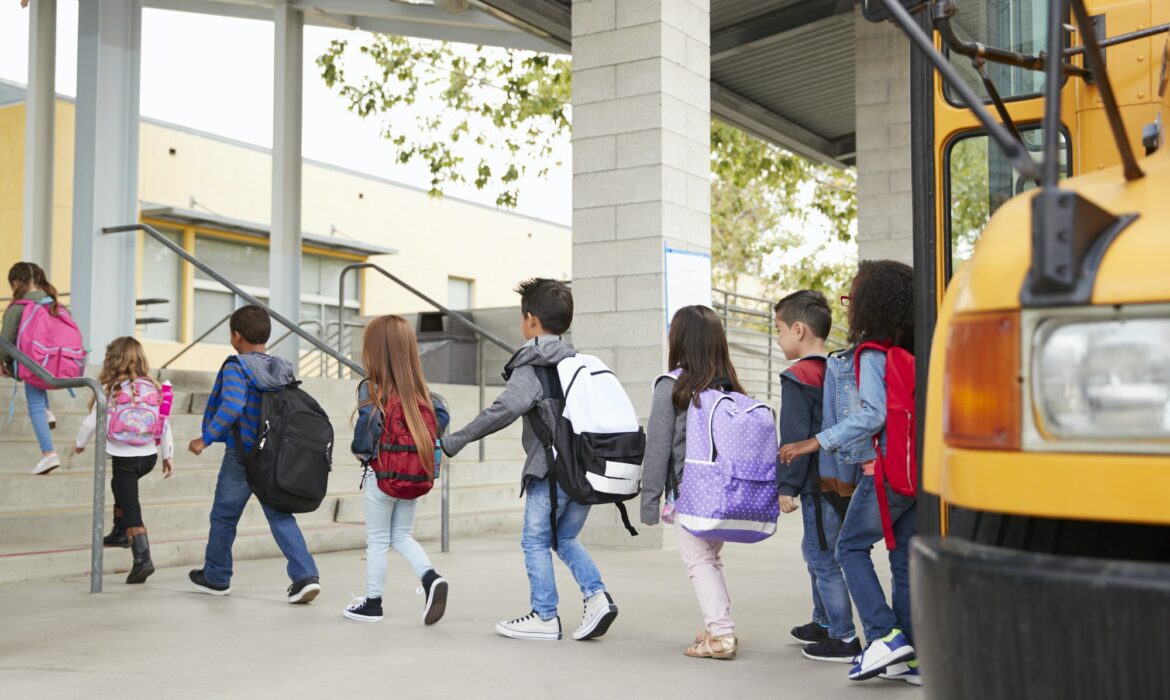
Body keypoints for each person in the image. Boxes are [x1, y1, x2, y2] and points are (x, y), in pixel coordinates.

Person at [441, 278, 619, 642]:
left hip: (551, 470)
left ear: (531, 320)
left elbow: (506, 407)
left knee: (535, 541)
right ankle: (597, 596)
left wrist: (454, 441)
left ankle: (544, 615)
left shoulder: (534, 363)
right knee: (564, 537)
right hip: (587, 469)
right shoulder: (579, 362)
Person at [779, 260, 919, 685]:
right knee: (903, 559)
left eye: (853, 299)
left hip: (886, 472)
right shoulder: (915, 351)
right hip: (918, 472)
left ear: (870, 306)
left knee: (849, 548)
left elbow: (872, 415)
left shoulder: (872, 354)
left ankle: (883, 635)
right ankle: (913, 656)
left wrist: (814, 442)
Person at [186, 305, 321, 604]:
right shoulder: (281, 368)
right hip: (273, 455)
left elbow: (233, 405)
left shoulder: (237, 367)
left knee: (224, 516)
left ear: (236, 336)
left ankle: (217, 577)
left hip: (242, 456)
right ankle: (305, 576)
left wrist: (205, 439)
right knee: (279, 514)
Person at [640, 304, 750, 660]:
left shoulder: (672, 386)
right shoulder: (730, 388)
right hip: (726, 491)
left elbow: (657, 448)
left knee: (698, 561)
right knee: (711, 559)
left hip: (692, 492)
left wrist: (649, 500)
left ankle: (721, 635)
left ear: (680, 340)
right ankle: (719, 625)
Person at [344, 315, 450, 625]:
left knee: (377, 540)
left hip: (381, 477)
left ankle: (373, 603)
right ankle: (431, 578)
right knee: (402, 535)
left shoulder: (371, 389)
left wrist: (361, 453)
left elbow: (364, 439)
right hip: (413, 475)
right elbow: (440, 424)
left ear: (375, 351)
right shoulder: (426, 395)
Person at [774, 291, 861, 663]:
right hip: (844, 478)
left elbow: (792, 436)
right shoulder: (839, 371)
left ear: (798, 329)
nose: (777, 339)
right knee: (817, 552)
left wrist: (786, 487)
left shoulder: (798, 376)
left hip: (815, 482)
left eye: (778, 330)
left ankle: (842, 637)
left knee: (823, 558)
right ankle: (822, 621)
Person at [75, 337, 175, 584]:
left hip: (124, 458)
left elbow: (90, 422)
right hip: (149, 456)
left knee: (132, 507)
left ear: (113, 360)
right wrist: (168, 455)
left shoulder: (112, 389)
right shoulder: (154, 388)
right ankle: (120, 531)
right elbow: (164, 424)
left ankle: (143, 559)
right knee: (118, 487)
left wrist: (79, 443)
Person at [1, 262, 62, 475]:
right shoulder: (53, 302)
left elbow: (5, 340)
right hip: (57, 363)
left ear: (17, 282)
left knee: (34, 404)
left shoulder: (19, 306)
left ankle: (49, 454)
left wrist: (2, 363)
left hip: (32, 364)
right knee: (39, 389)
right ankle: (47, 413)